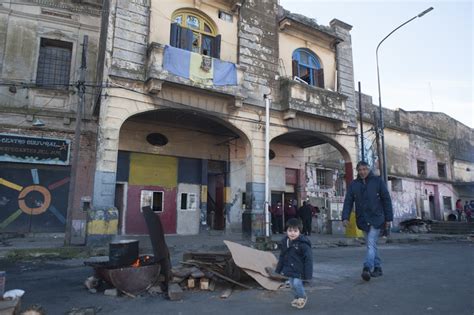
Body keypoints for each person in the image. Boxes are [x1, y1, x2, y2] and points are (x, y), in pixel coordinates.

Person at [342, 161, 393, 281]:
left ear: (369, 169)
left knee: (370, 243)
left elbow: (386, 199)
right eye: (360, 170)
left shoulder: (377, 181)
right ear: (357, 171)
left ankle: (367, 268)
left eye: (365, 169)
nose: (362, 172)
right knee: (371, 245)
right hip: (363, 219)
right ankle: (378, 268)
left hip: (377, 218)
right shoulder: (354, 185)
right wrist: (345, 217)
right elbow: (348, 201)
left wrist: (389, 218)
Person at [275, 218, 313, 309]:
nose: (292, 233)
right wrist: (278, 269)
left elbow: (308, 260)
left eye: (295, 231)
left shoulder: (303, 244)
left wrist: (308, 275)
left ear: (300, 231)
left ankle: (302, 297)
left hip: (300, 270)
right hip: (290, 269)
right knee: (291, 285)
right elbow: (282, 256)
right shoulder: (285, 242)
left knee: (296, 284)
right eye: (290, 230)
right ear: (286, 231)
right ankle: (297, 297)